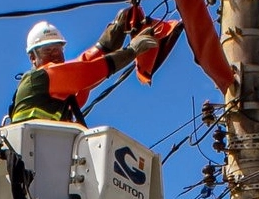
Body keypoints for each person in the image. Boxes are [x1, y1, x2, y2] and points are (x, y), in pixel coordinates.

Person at [9, 9, 158, 125]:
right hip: (36, 151)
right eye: (47, 50)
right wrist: (131, 52)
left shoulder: (57, 92)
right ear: (33, 58)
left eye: (58, 49)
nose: (55, 55)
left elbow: (85, 67)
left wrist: (113, 35)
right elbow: (85, 74)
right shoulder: (38, 79)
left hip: (45, 152)